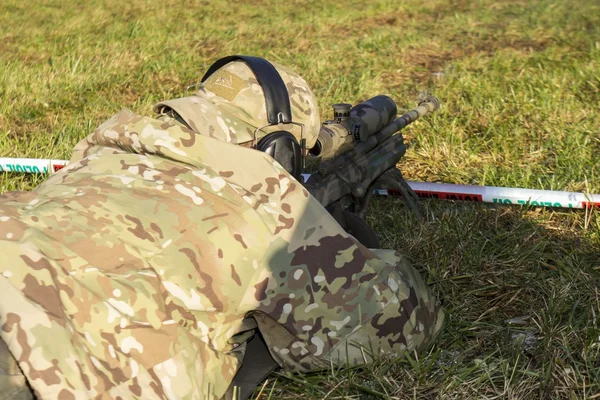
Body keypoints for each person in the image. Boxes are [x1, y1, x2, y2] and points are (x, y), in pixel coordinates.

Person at [0, 55, 444, 399]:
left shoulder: (98, 159)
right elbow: (400, 322)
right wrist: (345, 231)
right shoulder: (265, 202)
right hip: (38, 358)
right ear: (279, 150)